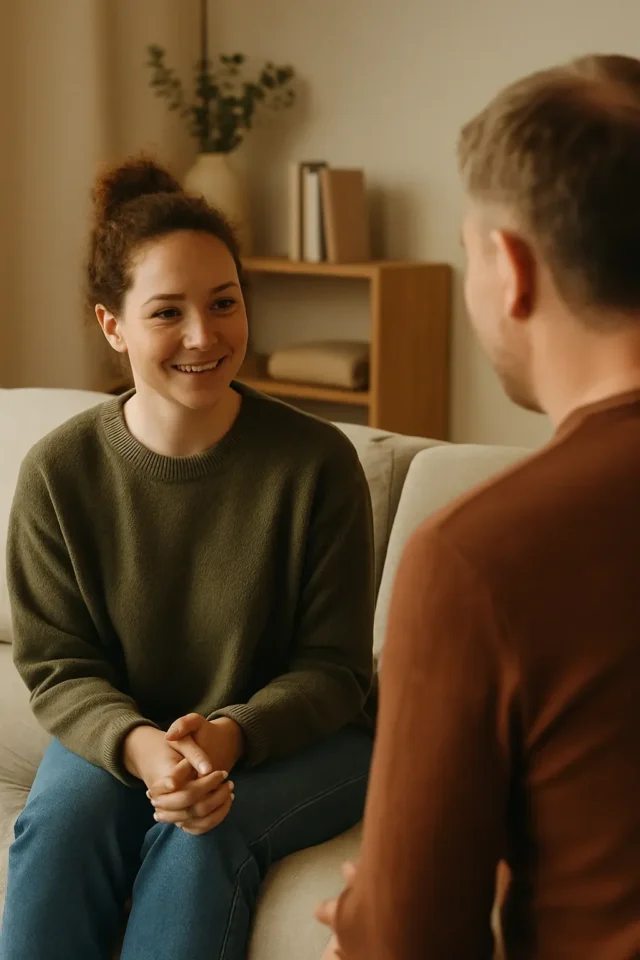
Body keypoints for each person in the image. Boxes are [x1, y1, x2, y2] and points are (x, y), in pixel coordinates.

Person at [0, 157, 376, 960]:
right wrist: (143, 748)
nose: (204, 336)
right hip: (131, 728)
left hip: (304, 738)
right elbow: (58, 665)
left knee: (206, 831)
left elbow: (336, 671)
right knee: (63, 822)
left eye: (224, 303)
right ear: (113, 326)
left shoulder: (317, 465)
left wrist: (229, 738)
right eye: (167, 312)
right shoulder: (59, 474)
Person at [317, 53, 640, 959]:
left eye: (466, 252)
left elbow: (409, 941)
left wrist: (365, 924)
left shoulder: (479, 556)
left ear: (511, 267)